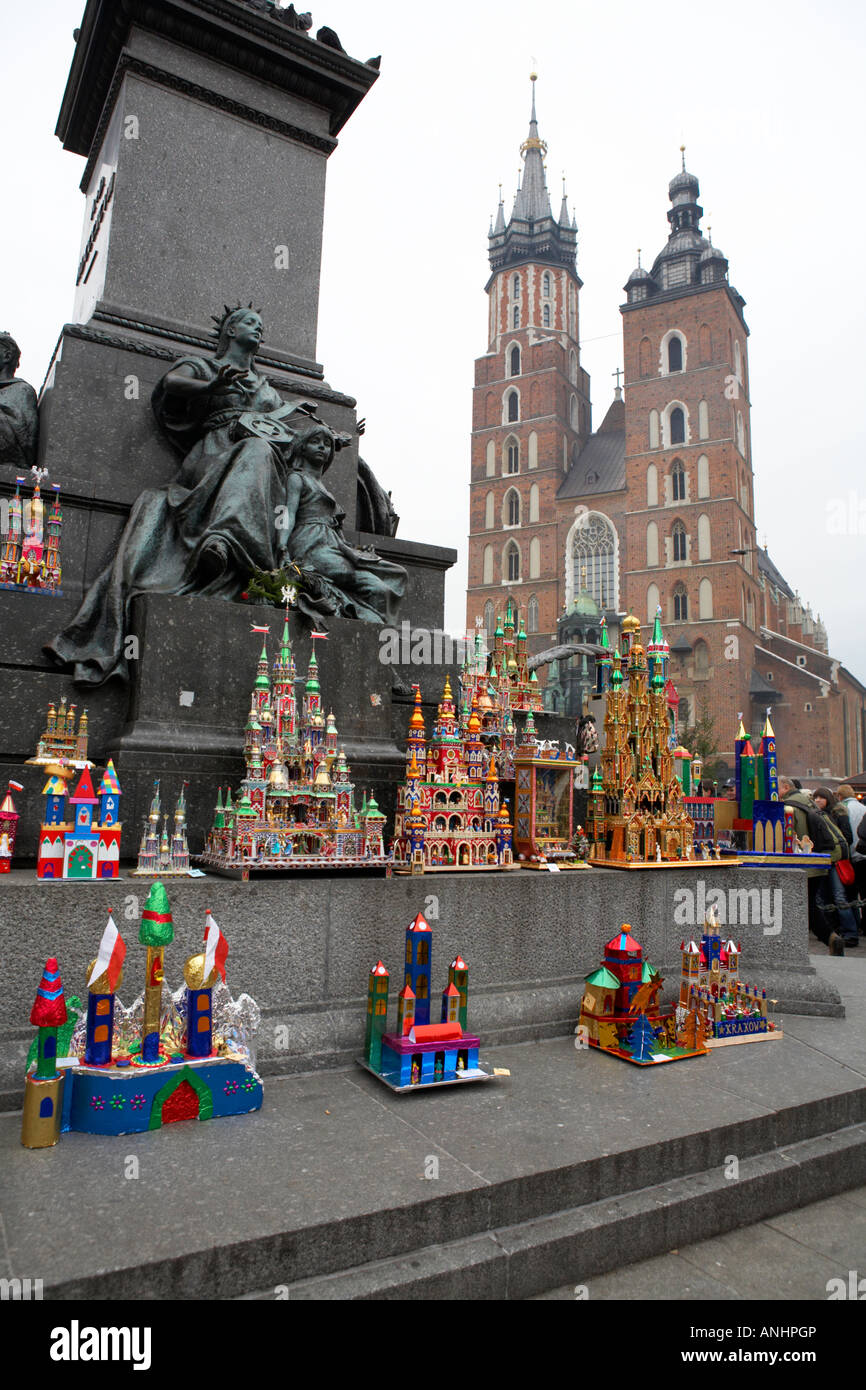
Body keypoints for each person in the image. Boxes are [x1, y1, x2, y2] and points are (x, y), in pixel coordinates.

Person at [47, 308, 405, 684]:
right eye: (250, 322)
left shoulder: (264, 388)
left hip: (259, 461)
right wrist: (212, 386)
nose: (258, 328)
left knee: (261, 451)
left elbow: (285, 426)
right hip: (214, 454)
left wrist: (329, 434)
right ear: (231, 329)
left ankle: (224, 545)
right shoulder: (203, 366)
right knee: (257, 451)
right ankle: (220, 542)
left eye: (261, 325)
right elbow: (173, 383)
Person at [779, 776, 848, 954]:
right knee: (810, 907)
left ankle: (822, 940)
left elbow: (788, 839)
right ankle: (831, 939)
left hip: (802, 866)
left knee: (802, 907)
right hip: (818, 862)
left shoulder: (789, 807)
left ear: (785, 787)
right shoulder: (808, 802)